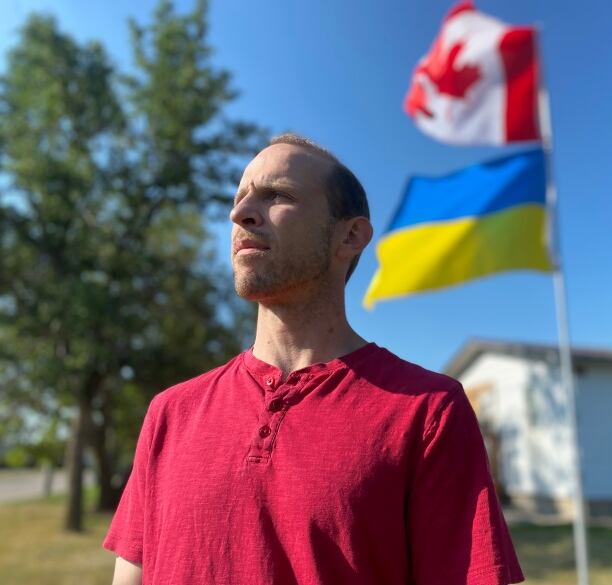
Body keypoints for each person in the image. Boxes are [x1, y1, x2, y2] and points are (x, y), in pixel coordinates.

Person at [104, 134, 524, 585]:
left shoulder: (428, 411)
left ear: (350, 235)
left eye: (277, 195)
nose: (239, 213)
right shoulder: (170, 412)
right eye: (240, 197)